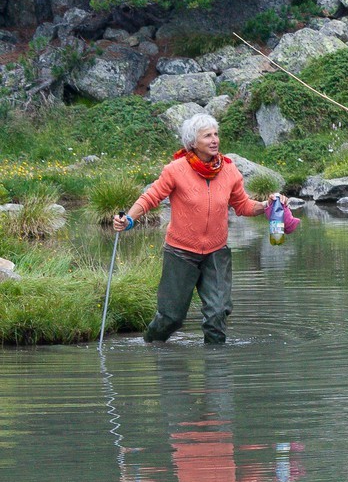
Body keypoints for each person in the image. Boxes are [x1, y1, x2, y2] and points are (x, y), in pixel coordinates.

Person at [113, 113, 283, 344]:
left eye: (216, 134)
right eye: (207, 136)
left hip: (216, 252)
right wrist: (128, 220)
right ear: (193, 142)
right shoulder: (175, 170)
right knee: (171, 318)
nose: (214, 140)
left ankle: (216, 371)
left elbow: (242, 205)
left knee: (217, 314)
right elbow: (150, 198)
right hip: (180, 252)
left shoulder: (230, 171)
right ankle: (151, 347)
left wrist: (267, 205)